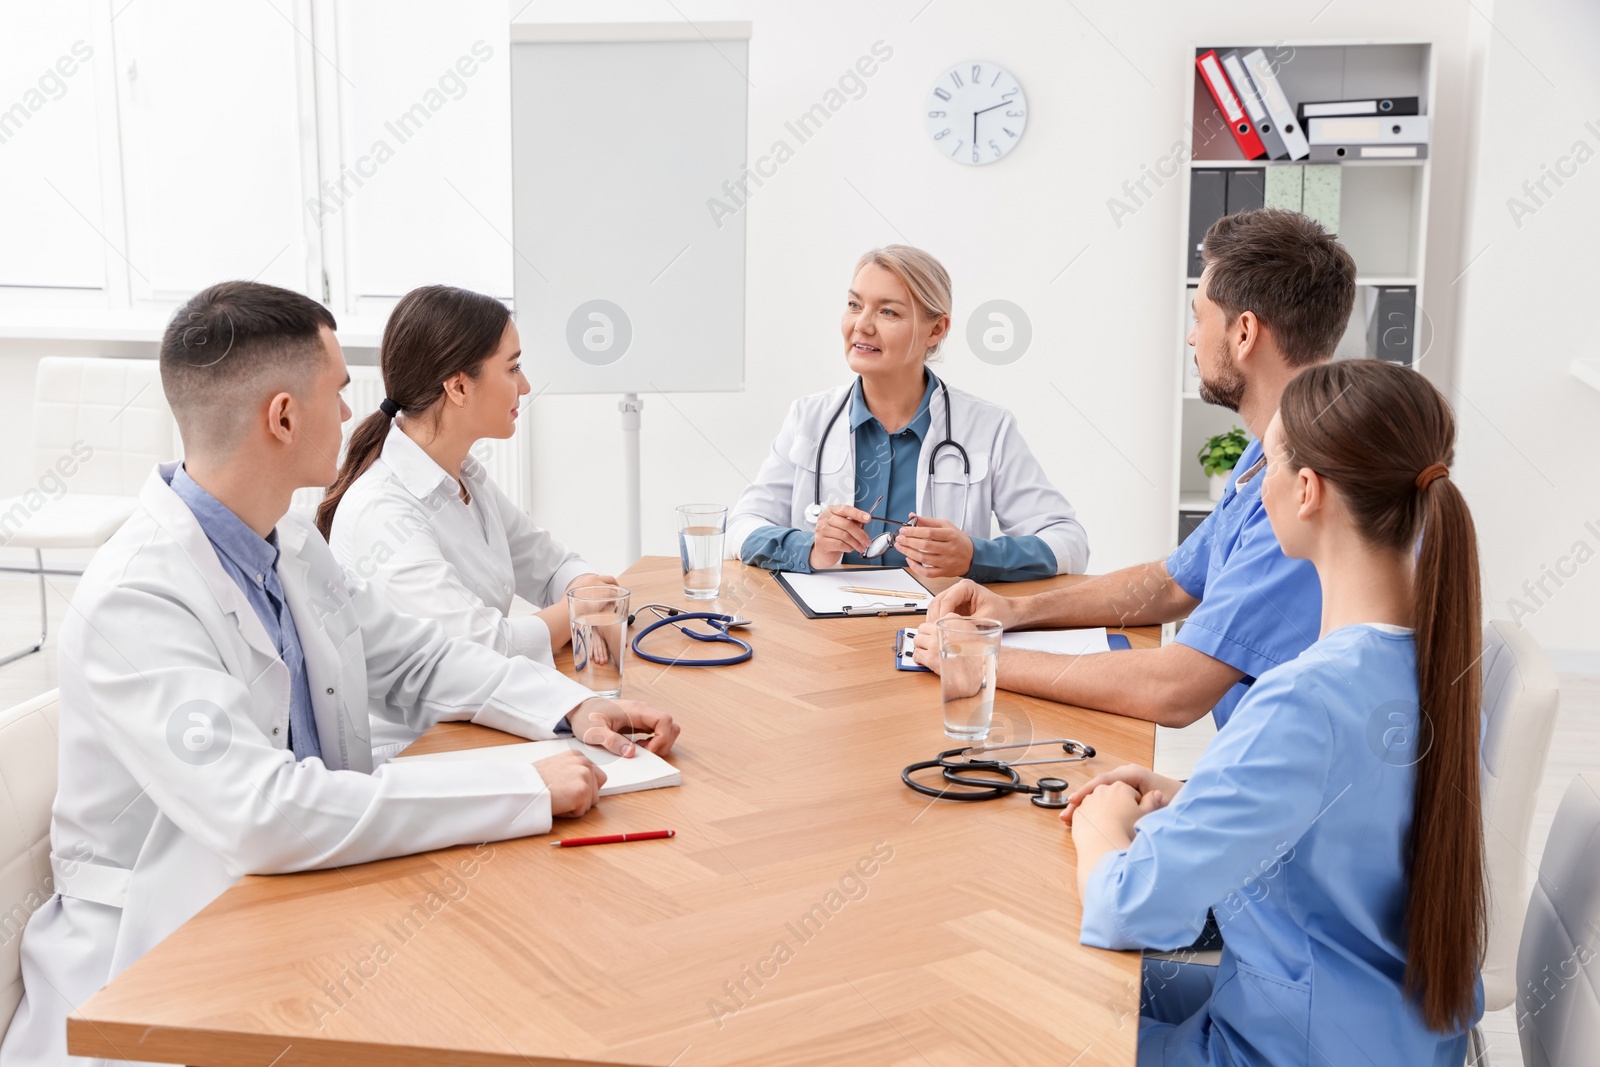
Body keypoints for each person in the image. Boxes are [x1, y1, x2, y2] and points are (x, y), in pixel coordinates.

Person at [0, 281, 680, 1067]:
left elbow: (415, 656)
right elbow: (264, 811)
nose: (360, 412)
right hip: (165, 956)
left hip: (299, 900)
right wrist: (522, 790)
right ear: (283, 416)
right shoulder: (136, 597)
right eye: (339, 390)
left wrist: (573, 709)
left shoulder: (288, 542)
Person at [1066, 359, 1484, 1065]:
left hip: (1286, 1046)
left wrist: (1099, 823)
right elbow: (1351, 820)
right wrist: (1194, 798)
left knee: (1038, 1000)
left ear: (1308, 491)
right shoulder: (1436, 658)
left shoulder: (1304, 699)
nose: (1255, 482)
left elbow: (1127, 906)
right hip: (1386, 1033)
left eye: (1268, 462)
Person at [915, 210, 1354, 728]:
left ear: (1244, 333)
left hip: (1290, 795)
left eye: (1198, 317)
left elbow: (1174, 690)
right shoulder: (1267, 453)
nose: (1192, 339)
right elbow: (1171, 583)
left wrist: (977, 658)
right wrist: (1016, 614)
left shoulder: (1308, 487)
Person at [318, 285, 611, 761]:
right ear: (458, 387)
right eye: (513, 368)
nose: (526, 385)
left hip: (485, 719)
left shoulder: (463, 474)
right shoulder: (383, 510)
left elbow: (552, 564)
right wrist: (583, 609)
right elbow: (481, 650)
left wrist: (583, 588)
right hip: (423, 748)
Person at [729, 245, 1088, 582]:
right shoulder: (808, 418)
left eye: (888, 312)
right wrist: (811, 548)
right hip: (828, 636)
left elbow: (1069, 543)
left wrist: (975, 555)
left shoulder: (988, 427)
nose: (862, 325)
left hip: (936, 632)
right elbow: (742, 527)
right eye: (855, 305)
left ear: (936, 329)